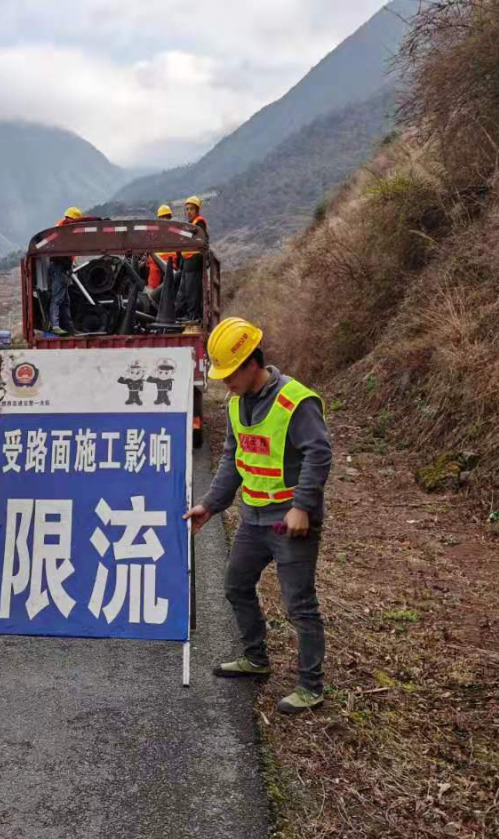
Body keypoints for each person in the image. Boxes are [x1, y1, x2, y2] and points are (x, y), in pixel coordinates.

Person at [183, 317, 333, 714]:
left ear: (252, 363)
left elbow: (319, 455)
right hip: (253, 517)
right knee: (235, 585)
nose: (223, 382)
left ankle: (310, 686)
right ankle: (255, 658)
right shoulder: (236, 404)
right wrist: (210, 504)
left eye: (229, 373)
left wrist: (302, 507)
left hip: (289, 521)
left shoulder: (296, 401)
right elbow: (234, 458)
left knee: (299, 603)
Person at [50, 207, 82, 335]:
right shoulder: (64, 226)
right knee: (57, 298)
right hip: (58, 267)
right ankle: (55, 325)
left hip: (64, 268)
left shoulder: (66, 230)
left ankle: (69, 328)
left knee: (65, 300)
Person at [175, 196, 208, 321]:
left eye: (191, 209)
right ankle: (182, 315)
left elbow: (201, 241)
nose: (188, 212)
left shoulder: (199, 223)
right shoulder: (190, 225)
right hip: (187, 264)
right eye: (187, 209)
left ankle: (193, 317)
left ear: (197, 210)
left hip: (194, 262)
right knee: (183, 292)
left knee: (192, 292)